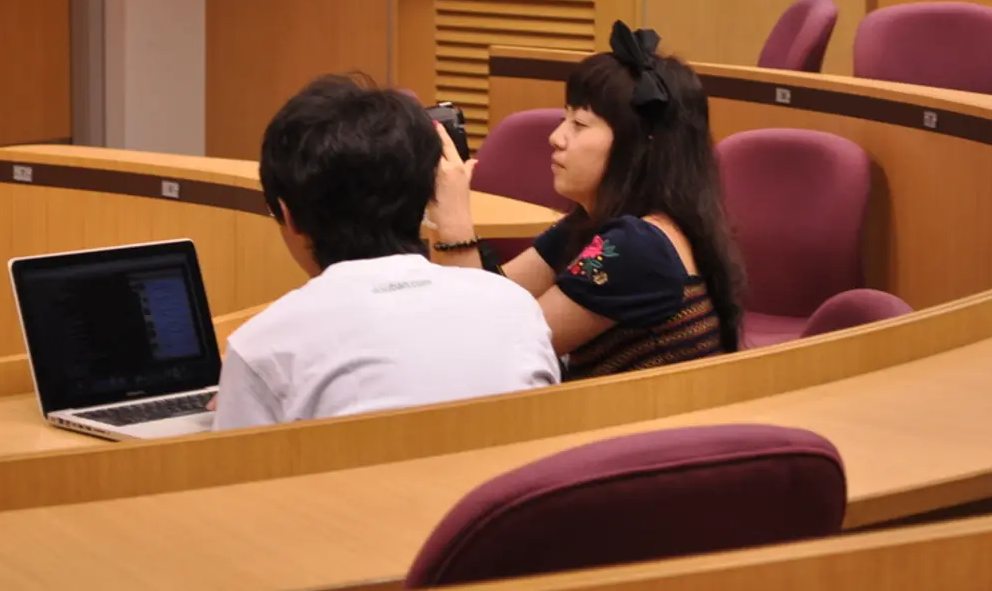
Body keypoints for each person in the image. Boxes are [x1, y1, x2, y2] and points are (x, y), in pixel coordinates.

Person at [211, 74, 559, 431]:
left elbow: (233, 479)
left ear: (288, 216)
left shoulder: (264, 346)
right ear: (428, 196)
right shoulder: (516, 309)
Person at [428, 21, 744, 379]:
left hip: (638, 430)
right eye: (564, 118)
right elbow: (501, 294)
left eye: (578, 124)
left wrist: (454, 220)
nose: (556, 137)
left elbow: (492, 348)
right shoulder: (597, 223)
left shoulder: (636, 246)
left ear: (641, 145)